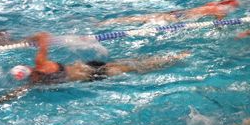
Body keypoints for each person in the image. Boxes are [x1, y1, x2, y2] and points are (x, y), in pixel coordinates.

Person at [10, 32, 190, 84]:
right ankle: (172, 57)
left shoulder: (35, 82)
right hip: (89, 67)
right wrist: (25, 40)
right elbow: (43, 36)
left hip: (92, 75)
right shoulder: (40, 63)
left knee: (136, 68)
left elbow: (12, 95)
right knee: (133, 64)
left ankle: (173, 59)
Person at [97, 0, 250, 26]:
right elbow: (219, 24)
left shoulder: (212, 4)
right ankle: (108, 23)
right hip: (179, 19)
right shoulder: (219, 11)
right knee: (146, 20)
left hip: (179, 12)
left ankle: (108, 22)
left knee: (143, 18)